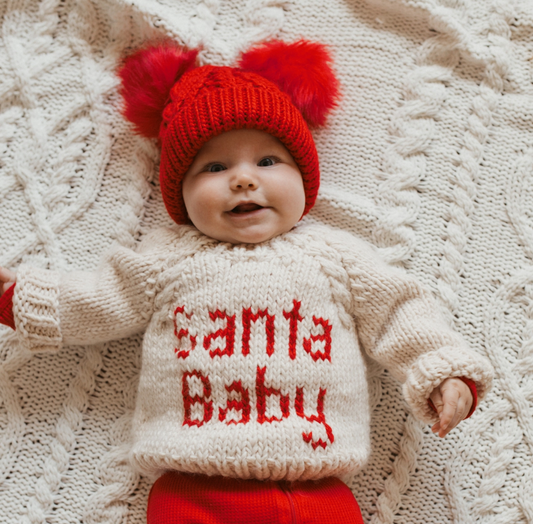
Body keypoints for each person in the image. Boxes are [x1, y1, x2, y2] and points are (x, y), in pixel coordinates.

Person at [0, 40, 493, 523]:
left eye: (267, 161)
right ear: (180, 194)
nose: (242, 179)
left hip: (317, 489)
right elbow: (97, 298)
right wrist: (17, 297)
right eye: (214, 167)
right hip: (192, 488)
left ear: (304, 177)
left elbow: (400, 310)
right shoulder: (164, 259)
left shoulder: (337, 257)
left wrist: (441, 369)